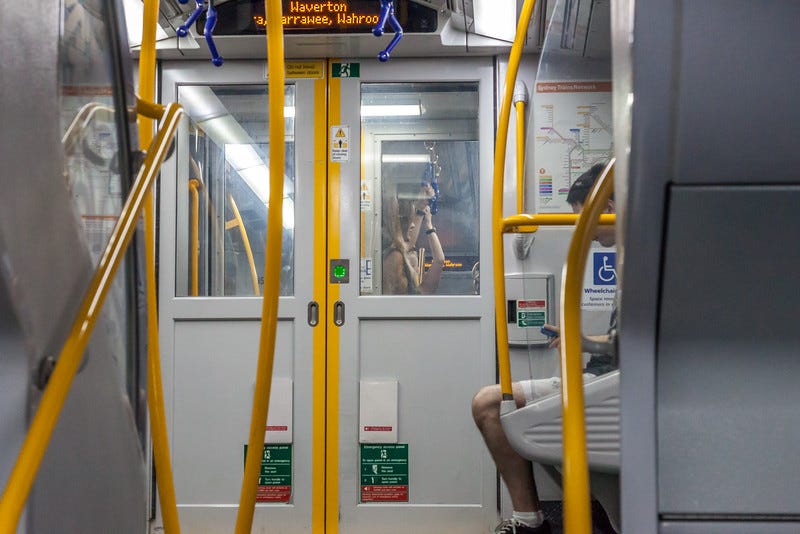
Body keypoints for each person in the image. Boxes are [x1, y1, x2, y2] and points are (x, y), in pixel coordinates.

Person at [471, 163, 616, 534]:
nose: (583, 233)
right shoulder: (637, 256)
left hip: (609, 385)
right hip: (603, 379)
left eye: (584, 220)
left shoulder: (643, 260)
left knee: (488, 404)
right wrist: (581, 339)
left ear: (609, 207)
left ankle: (531, 521)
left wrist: (582, 341)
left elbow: (633, 347)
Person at [382, 181, 446, 295]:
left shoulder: (416, 294)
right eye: (409, 252)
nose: (412, 225)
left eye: (412, 252)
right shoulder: (394, 257)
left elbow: (439, 260)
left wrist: (429, 225)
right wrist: (421, 211)